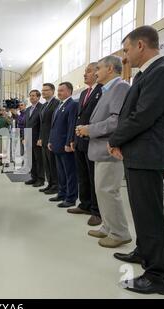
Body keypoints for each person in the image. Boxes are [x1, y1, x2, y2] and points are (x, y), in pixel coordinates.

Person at [108, 26, 164, 295]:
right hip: (139, 153)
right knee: (142, 211)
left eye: (127, 50)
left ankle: (158, 276)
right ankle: (144, 252)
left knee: (150, 216)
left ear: (141, 45)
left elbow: (142, 115)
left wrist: (115, 139)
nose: (125, 57)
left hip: (148, 154)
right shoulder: (149, 73)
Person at [77, 56, 132, 248]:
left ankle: (120, 232)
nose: (95, 72)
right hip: (100, 149)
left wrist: (89, 129)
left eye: (98, 68)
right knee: (102, 190)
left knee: (109, 190)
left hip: (110, 149)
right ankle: (108, 226)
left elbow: (117, 121)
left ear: (110, 69)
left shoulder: (120, 87)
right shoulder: (107, 90)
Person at [68, 63, 103, 227]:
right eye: (84, 71)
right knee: (82, 175)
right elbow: (79, 117)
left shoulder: (103, 90)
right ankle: (85, 204)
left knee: (93, 176)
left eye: (88, 71)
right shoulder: (83, 93)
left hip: (94, 139)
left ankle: (97, 211)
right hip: (80, 139)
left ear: (98, 72)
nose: (85, 74)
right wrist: (74, 138)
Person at [48, 82, 78, 208]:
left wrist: (69, 142)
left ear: (69, 91)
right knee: (60, 172)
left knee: (70, 172)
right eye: (58, 90)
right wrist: (50, 140)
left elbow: (72, 125)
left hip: (65, 145)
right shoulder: (59, 106)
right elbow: (54, 126)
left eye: (62, 90)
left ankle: (71, 198)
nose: (59, 92)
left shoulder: (73, 105)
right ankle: (62, 193)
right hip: (56, 144)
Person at [39, 83, 60, 195]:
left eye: (46, 90)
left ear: (52, 91)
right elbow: (43, 124)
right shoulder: (44, 105)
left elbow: (54, 123)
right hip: (44, 138)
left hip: (51, 138)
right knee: (46, 163)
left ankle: (56, 185)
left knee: (52, 163)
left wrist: (51, 139)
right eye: (42, 90)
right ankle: (50, 183)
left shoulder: (56, 103)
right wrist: (41, 137)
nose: (43, 92)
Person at [24, 90, 44, 187]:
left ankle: (40, 179)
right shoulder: (27, 110)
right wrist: (24, 137)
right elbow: (26, 125)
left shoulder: (42, 108)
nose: (31, 97)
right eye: (30, 96)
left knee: (38, 159)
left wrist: (41, 138)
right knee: (31, 159)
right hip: (28, 138)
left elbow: (42, 125)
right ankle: (33, 177)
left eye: (33, 96)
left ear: (38, 97)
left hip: (37, 139)